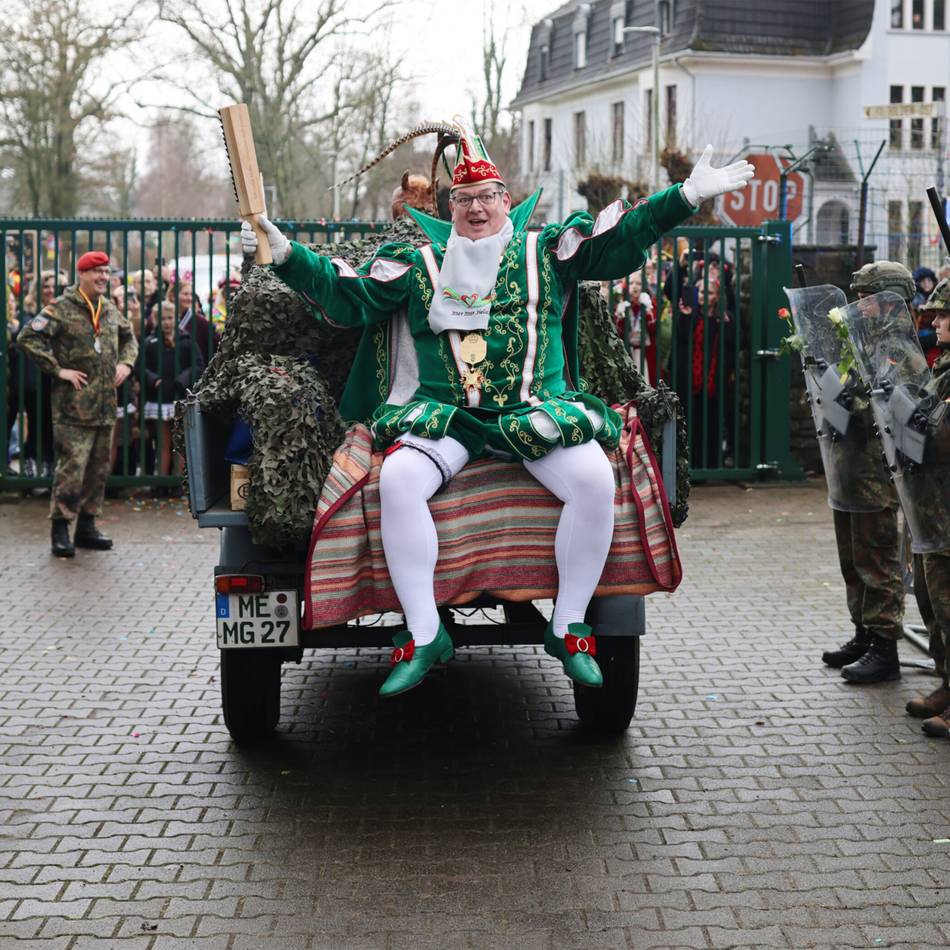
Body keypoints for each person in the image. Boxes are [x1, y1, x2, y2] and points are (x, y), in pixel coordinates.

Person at [241, 128, 753, 697]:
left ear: (507, 202)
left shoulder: (547, 252)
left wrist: (682, 196)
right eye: (464, 200)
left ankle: (569, 627)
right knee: (400, 481)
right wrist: (284, 253)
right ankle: (426, 632)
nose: (477, 208)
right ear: (449, 208)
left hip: (535, 413)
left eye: (488, 197)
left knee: (591, 478)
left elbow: (617, 238)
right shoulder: (417, 264)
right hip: (447, 417)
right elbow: (346, 288)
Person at [820, 262, 912, 683]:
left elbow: (894, 408)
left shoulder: (897, 347)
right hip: (850, 467)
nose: (859, 304)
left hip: (876, 469)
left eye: (867, 297)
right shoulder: (858, 342)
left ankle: (885, 645)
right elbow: (842, 390)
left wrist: (848, 398)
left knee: (877, 557)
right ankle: (862, 632)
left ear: (888, 300)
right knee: (852, 555)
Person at [16, 251, 138, 557]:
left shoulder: (108, 308)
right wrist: (58, 369)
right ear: (81, 274)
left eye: (106, 273)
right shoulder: (60, 308)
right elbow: (28, 337)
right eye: (96, 272)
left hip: (104, 407)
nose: (102, 278)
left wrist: (126, 364)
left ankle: (86, 527)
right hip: (73, 408)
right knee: (71, 469)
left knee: (98, 470)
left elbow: (129, 338)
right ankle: (60, 529)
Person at [904, 277, 950, 736]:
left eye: (943, 314)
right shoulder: (944, 366)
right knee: (932, 598)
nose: (934, 320)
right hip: (933, 504)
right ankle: (946, 681)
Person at [138, 300, 204, 488]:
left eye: (169, 318)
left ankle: (178, 483)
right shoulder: (150, 342)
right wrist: (154, 379)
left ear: (175, 318)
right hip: (158, 399)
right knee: (163, 444)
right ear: (156, 319)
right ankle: (161, 483)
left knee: (180, 444)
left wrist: (183, 379)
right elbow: (140, 366)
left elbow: (198, 365)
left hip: (180, 397)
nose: (166, 322)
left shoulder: (187, 341)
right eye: (162, 318)